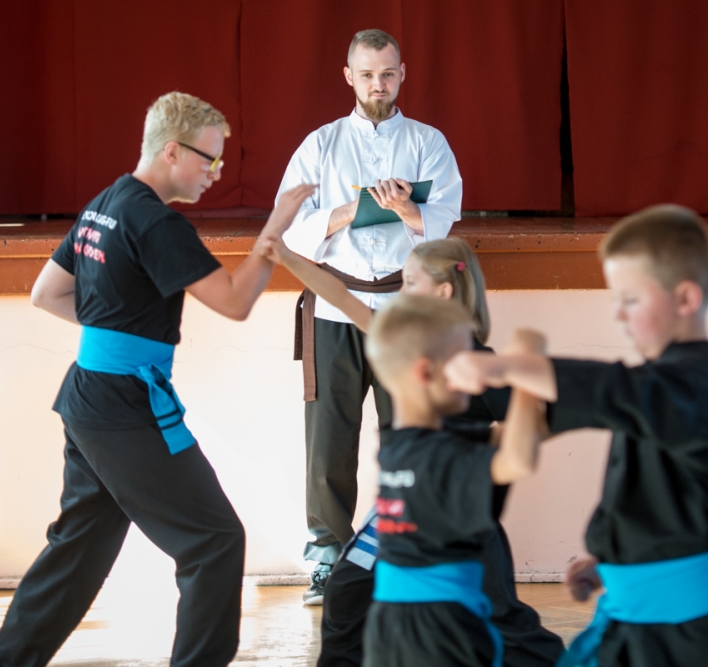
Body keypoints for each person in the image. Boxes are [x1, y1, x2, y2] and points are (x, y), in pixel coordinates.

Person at [0, 91, 316, 667]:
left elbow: (47, 294)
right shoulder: (157, 223)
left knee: (79, 548)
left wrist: (115, 332)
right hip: (122, 407)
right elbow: (235, 302)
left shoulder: (106, 202)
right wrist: (274, 232)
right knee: (214, 541)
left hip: (88, 396)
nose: (216, 173)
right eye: (209, 159)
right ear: (171, 151)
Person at [445, 205, 708, 667]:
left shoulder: (702, 383)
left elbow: (608, 390)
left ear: (685, 298)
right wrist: (615, 564)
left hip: (695, 633)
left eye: (630, 299)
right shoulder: (658, 387)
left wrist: (502, 366)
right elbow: (666, 505)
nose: (618, 314)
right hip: (647, 616)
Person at [259, 233, 565, 666]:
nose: (400, 291)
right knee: (346, 587)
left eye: (410, 281)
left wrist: (527, 372)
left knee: (500, 614)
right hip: (402, 502)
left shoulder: (477, 361)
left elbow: (534, 419)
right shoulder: (404, 338)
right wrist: (288, 256)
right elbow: (340, 298)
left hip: (457, 515)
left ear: (443, 291)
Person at [276, 27, 462, 603]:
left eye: (387, 74)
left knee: (411, 437)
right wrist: (347, 212)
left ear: (402, 74)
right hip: (338, 305)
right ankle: (327, 559)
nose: (377, 85)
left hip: (407, 312)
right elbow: (287, 228)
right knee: (329, 443)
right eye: (367, 75)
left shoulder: (429, 143)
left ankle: (410, 555)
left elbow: (446, 217)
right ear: (348, 77)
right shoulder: (321, 146)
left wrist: (406, 208)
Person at [358, 294, 546, 667]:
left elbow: (518, 436)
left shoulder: (400, 446)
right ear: (427, 373)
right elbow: (518, 459)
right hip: (440, 626)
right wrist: (525, 368)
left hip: (391, 623)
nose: (477, 373)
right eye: (465, 361)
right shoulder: (437, 456)